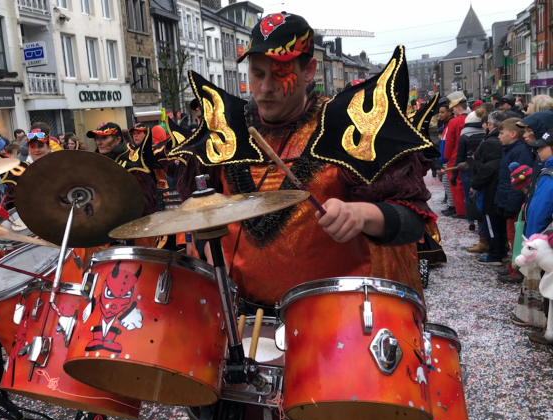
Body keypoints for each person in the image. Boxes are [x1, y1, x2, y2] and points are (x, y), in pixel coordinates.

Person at [178, 13, 432, 305]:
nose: (266, 87)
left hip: (331, 324)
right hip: (241, 323)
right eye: (258, 74)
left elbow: (413, 222)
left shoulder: (353, 127)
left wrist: (362, 215)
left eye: (280, 74)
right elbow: (201, 212)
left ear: (309, 70)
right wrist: (205, 242)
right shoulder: (223, 131)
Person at [478, 118, 535, 266]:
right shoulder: (510, 150)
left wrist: (510, 205)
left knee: (515, 235)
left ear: (513, 134)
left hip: (513, 203)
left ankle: (517, 267)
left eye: (502, 133)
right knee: (510, 233)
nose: (499, 136)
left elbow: (518, 182)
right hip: (505, 199)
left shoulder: (519, 151)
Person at [466, 111, 508, 254]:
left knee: (489, 217)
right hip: (491, 183)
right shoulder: (492, 139)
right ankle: (496, 246)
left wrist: (476, 181)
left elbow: (486, 165)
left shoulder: (491, 142)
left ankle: (494, 251)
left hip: (489, 185)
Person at [453, 109, 486, 232]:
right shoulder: (485, 135)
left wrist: (455, 173)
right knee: (482, 195)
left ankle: (471, 221)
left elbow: (459, 157)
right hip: (482, 169)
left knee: (468, 196)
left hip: (467, 169)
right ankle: (482, 222)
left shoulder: (464, 136)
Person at [444, 95, 469, 219]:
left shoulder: (454, 121)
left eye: (453, 109)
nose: (452, 111)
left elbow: (450, 141)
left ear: (458, 108)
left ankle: (461, 210)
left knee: (456, 183)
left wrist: (446, 156)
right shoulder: (472, 118)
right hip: (470, 155)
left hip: (455, 155)